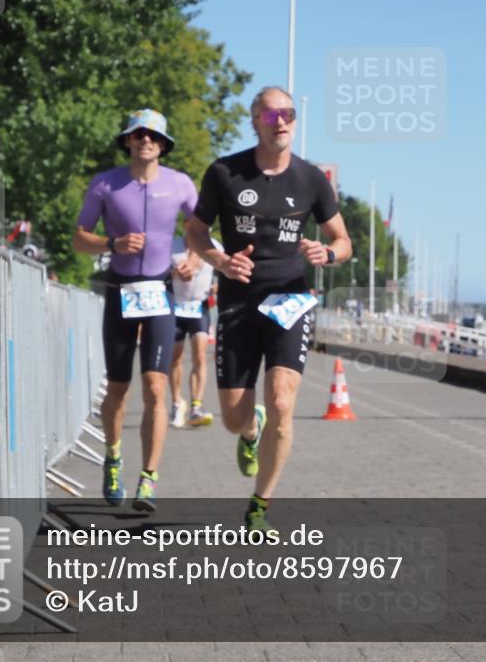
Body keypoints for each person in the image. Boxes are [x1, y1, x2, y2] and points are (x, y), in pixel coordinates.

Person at [186, 86, 352, 534]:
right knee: (233, 418)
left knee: (282, 400)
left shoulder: (311, 178)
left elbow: (343, 239)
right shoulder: (224, 172)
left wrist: (329, 254)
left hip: (289, 298)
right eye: (272, 114)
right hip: (239, 300)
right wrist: (219, 260)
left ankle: (260, 503)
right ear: (255, 121)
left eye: (289, 114)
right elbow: (195, 231)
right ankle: (248, 430)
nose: (281, 121)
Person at [74, 109, 198, 513]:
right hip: (120, 291)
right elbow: (79, 238)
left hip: (160, 294)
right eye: (138, 134)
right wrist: (112, 244)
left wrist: (193, 260)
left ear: (163, 145)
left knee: (157, 387)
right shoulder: (106, 184)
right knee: (118, 388)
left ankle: (149, 478)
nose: (145, 140)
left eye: (153, 136)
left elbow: (201, 231)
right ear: (127, 140)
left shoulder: (179, 183)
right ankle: (113, 456)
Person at [169, 239, 223, 428]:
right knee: (175, 357)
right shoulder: (173, 246)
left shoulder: (214, 245)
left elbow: (223, 269)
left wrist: (218, 287)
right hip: (177, 306)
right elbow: (162, 274)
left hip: (199, 307)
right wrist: (176, 272)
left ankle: (196, 407)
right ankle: (177, 403)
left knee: (200, 356)